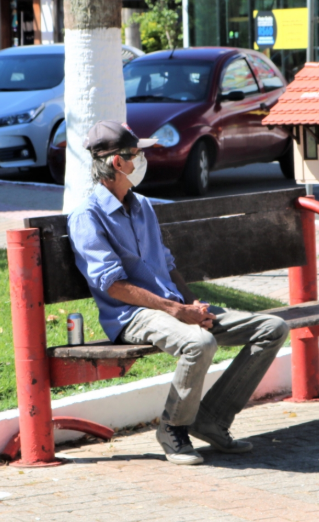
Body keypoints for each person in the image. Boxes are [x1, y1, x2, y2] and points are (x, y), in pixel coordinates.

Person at [68, 121, 290, 466]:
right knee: (199, 343)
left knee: (272, 328)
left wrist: (191, 304)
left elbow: (167, 264)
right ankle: (172, 428)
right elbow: (111, 285)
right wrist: (174, 310)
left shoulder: (143, 206)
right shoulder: (87, 217)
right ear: (118, 162)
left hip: (172, 307)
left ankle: (212, 419)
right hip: (132, 315)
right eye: (137, 153)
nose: (143, 159)